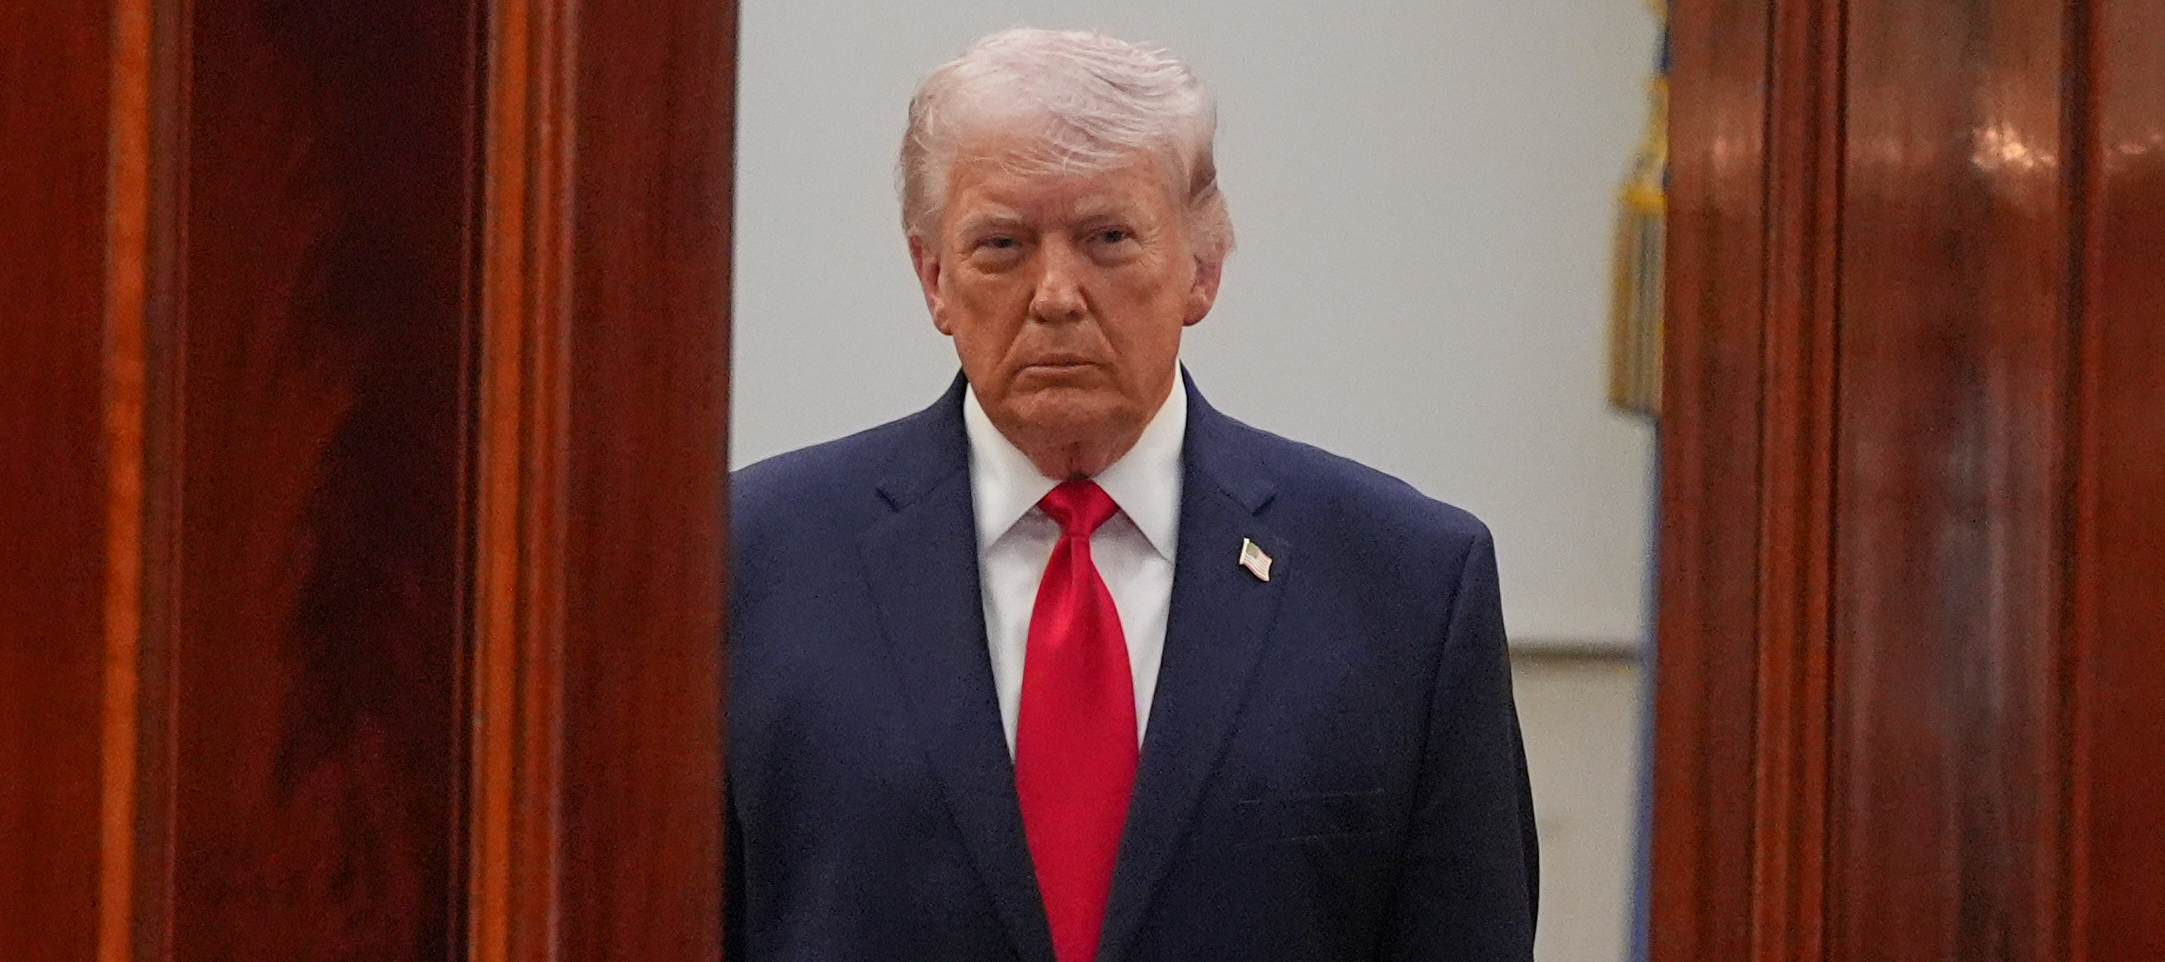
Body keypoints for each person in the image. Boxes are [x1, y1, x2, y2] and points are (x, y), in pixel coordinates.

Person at [727, 28, 1537, 962]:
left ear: (1203, 267)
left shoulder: (1404, 585)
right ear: (934, 278)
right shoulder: (754, 564)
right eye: (1003, 245)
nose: (1057, 294)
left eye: (1108, 238)